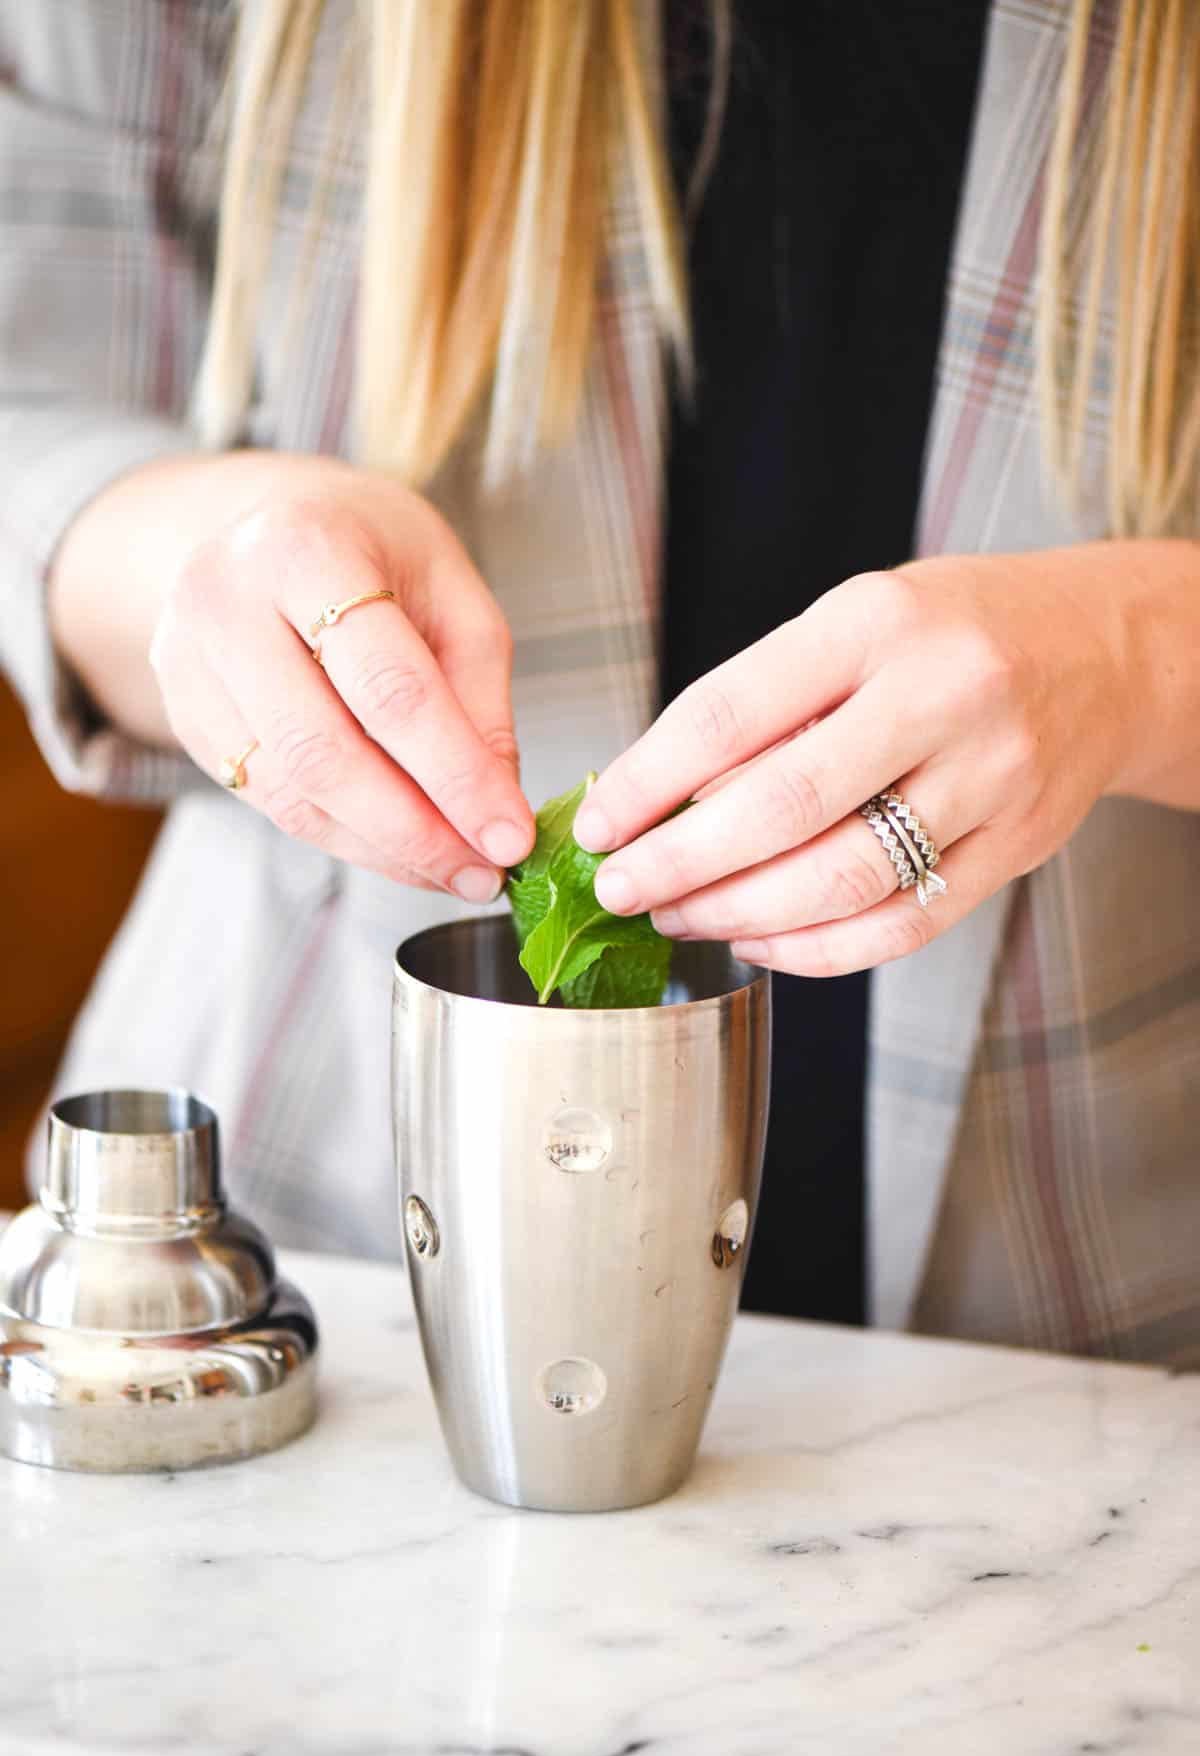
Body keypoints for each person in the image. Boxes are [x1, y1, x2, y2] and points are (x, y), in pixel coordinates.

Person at [2, 2, 1198, 1365]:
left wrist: (1137, 656)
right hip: (324, 1268)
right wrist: (212, 566)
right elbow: (29, 404)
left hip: (1094, 1328)